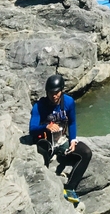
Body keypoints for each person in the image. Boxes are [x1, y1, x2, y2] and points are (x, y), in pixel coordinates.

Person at [29, 73, 92, 207]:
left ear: (62, 91)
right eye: (51, 93)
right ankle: (45, 182)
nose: (54, 95)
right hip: (46, 141)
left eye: (57, 92)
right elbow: (32, 129)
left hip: (61, 140)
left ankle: (70, 188)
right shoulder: (39, 106)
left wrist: (73, 140)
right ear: (47, 92)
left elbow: (72, 122)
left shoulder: (68, 102)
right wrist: (46, 126)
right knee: (43, 147)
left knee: (86, 153)